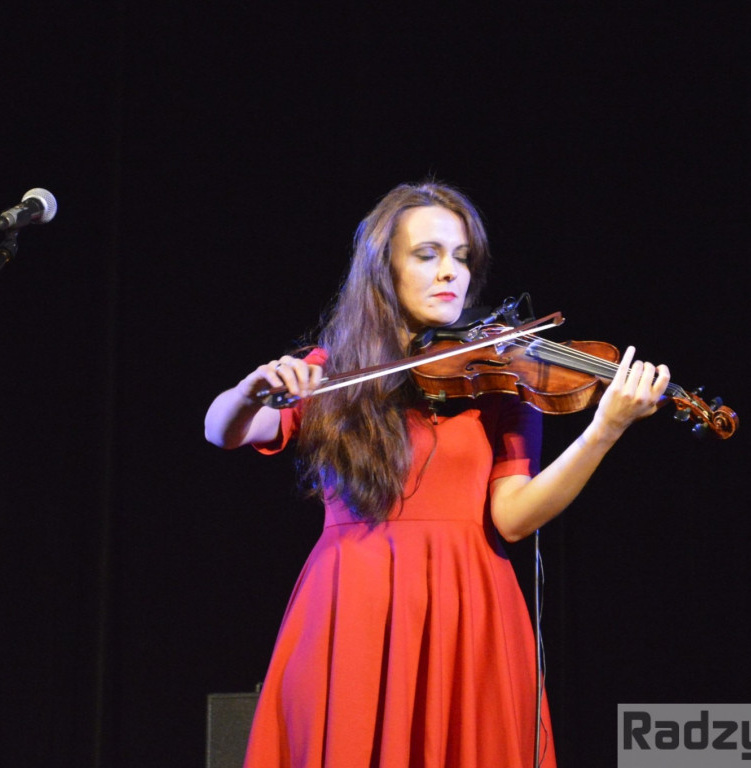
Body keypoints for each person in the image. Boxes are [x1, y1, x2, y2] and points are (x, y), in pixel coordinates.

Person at [205, 181, 670, 767]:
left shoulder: (503, 374)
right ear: (384, 269)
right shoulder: (332, 371)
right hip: (353, 602)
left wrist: (604, 430)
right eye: (428, 255)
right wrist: (252, 390)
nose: (452, 272)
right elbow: (223, 430)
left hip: (469, 604)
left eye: (462, 256)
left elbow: (514, 515)